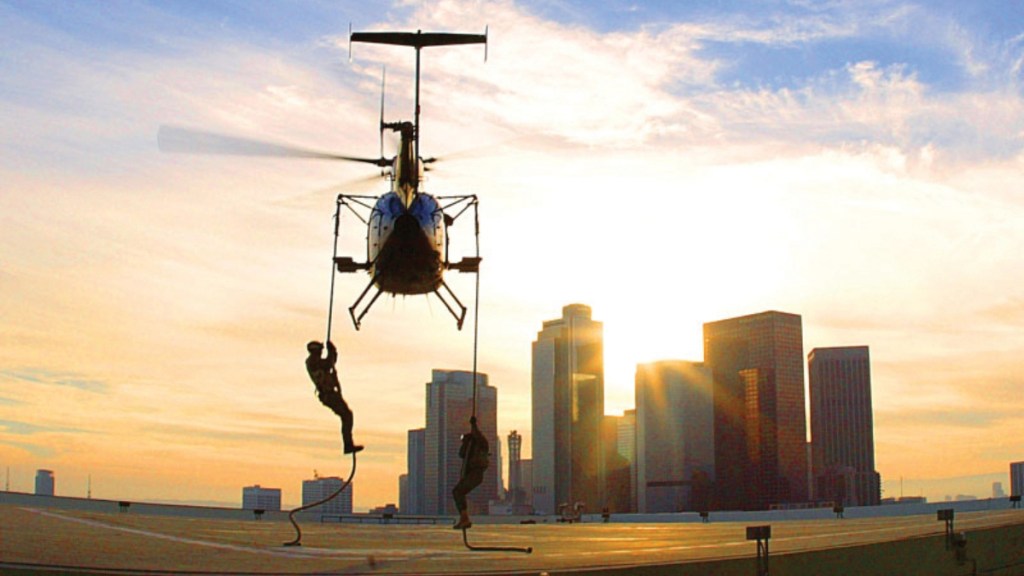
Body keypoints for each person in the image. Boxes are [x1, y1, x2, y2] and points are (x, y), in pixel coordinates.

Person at [305, 340, 363, 454]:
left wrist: (333, 351)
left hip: (330, 394)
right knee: (347, 415)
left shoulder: (314, 362)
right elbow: (328, 364)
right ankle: (348, 444)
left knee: (347, 415)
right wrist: (331, 351)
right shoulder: (312, 362)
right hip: (328, 395)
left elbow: (330, 363)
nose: (322, 352)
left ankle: (348, 444)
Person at [452, 416, 489, 530]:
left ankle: (464, 518)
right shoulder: (468, 450)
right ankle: (464, 517)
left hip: (476, 473)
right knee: (458, 492)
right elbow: (461, 454)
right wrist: (465, 443)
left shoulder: (481, 443)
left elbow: (477, 435)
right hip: (471, 473)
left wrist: (473, 425)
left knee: (458, 491)